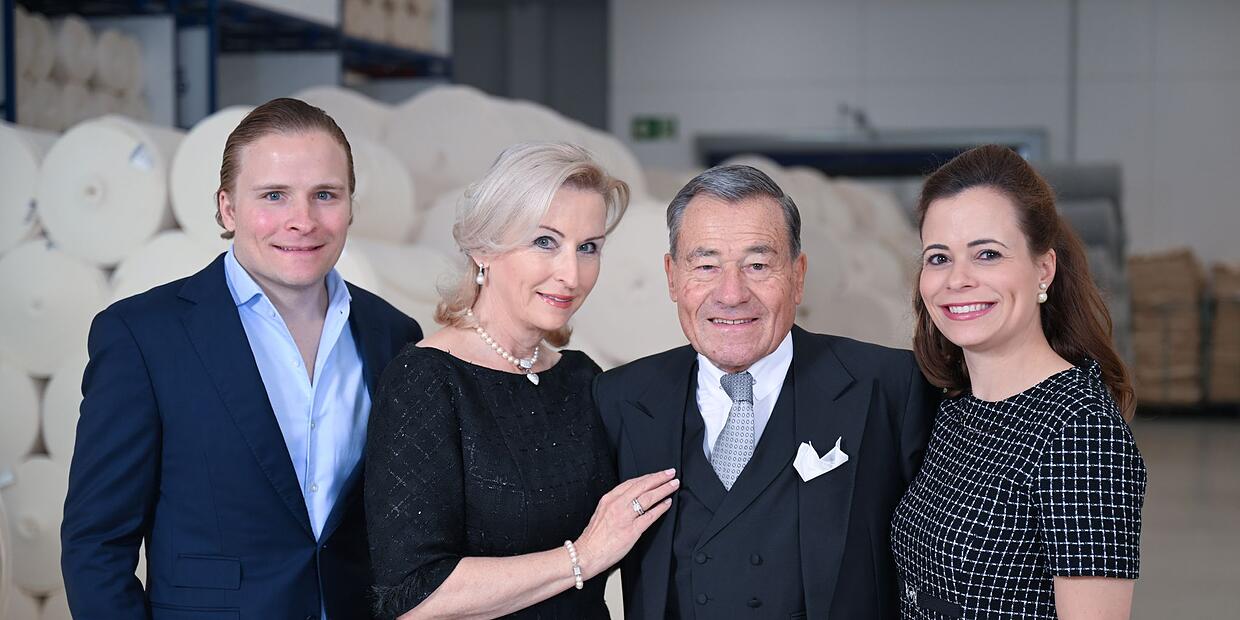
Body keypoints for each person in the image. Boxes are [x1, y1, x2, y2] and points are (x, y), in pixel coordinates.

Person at [61, 98, 422, 619]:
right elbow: (96, 546)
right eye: (274, 195)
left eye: (325, 195)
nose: (302, 221)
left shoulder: (393, 335)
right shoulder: (144, 337)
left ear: (350, 207)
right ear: (227, 208)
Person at [592, 164, 938, 619]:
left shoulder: (892, 386)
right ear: (672, 277)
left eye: (757, 265)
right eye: (706, 266)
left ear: (798, 275)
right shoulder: (620, 399)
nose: (731, 294)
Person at [365, 142, 678, 619]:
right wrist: (583, 556)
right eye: (545, 242)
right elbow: (413, 595)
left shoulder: (581, 378)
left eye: (588, 248)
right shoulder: (426, 382)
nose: (571, 274)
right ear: (483, 249)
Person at [891, 145, 1147, 619]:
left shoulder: (1080, 431)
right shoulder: (955, 407)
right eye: (939, 258)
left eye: (987, 254)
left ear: (1043, 269)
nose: (957, 280)